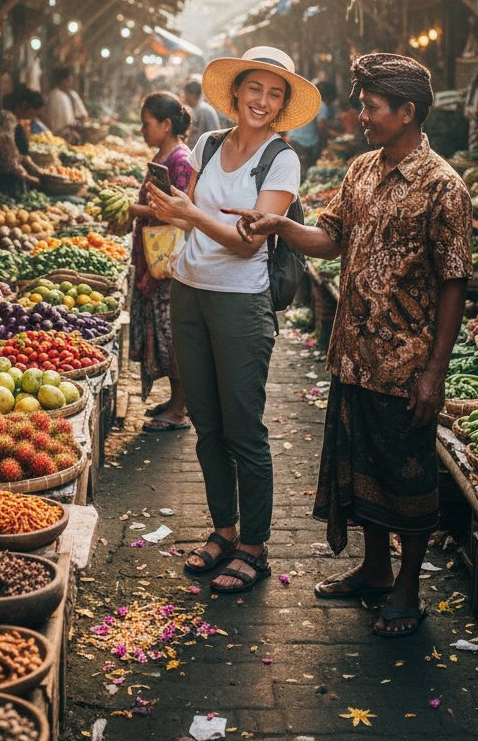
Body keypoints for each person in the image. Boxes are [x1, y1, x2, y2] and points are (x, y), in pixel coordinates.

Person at [227, 53, 472, 637]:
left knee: (405, 477)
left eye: (372, 106)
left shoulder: (444, 187)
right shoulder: (360, 170)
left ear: (407, 111)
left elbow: (455, 281)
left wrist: (435, 371)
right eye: (362, 104)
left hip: (404, 363)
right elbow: (329, 238)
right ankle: (374, 570)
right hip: (353, 352)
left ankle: (408, 587)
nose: (360, 115)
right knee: (361, 469)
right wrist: (280, 227)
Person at [148, 46, 319, 595]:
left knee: (244, 429)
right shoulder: (207, 142)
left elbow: (248, 246)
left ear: (282, 104)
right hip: (190, 291)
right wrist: (167, 211)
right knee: (207, 424)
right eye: (255, 90)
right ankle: (223, 529)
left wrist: (189, 213)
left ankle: (255, 545)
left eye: (275, 94)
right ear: (237, 92)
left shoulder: (281, 161)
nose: (262, 102)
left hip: (241, 302)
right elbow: (189, 209)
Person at [128, 92, 193, 432]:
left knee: (174, 338)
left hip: (170, 264)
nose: (142, 129)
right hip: (154, 260)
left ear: (166, 125)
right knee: (164, 335)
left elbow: (175, 212)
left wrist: (132, 210)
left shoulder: (181, 161)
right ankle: (173, 400)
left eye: (146, 123)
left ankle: (180, 409)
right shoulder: (163, 155)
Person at [0, 88, 45, 197]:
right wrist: (28, 178)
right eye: (34, 112)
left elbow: (18, 155)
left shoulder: (14, 120)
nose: (34, 116)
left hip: (6, 174)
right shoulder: (8, 119)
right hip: (1, 177)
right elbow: (9, 155)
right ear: (24, 105)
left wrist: (38, 170)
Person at [285, 78, 334, 178]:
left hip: (292, 139)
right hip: (305, 143)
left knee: (293, 173)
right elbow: (321, 127)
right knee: (303, 174)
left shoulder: (303, 101)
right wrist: (327, 138)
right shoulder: (321, 105)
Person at [45, 65, 88, 136]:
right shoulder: (57, 96)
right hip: (60, 134)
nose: (71, 83)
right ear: (63, 80)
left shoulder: (61, 94)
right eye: (69, 80)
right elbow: (65, 122)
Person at [182, 78, 220, 143]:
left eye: (186, 94)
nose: (185, 97)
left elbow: (215, 133)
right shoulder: (187, 109)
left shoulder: (207, 110)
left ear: (192, 95)